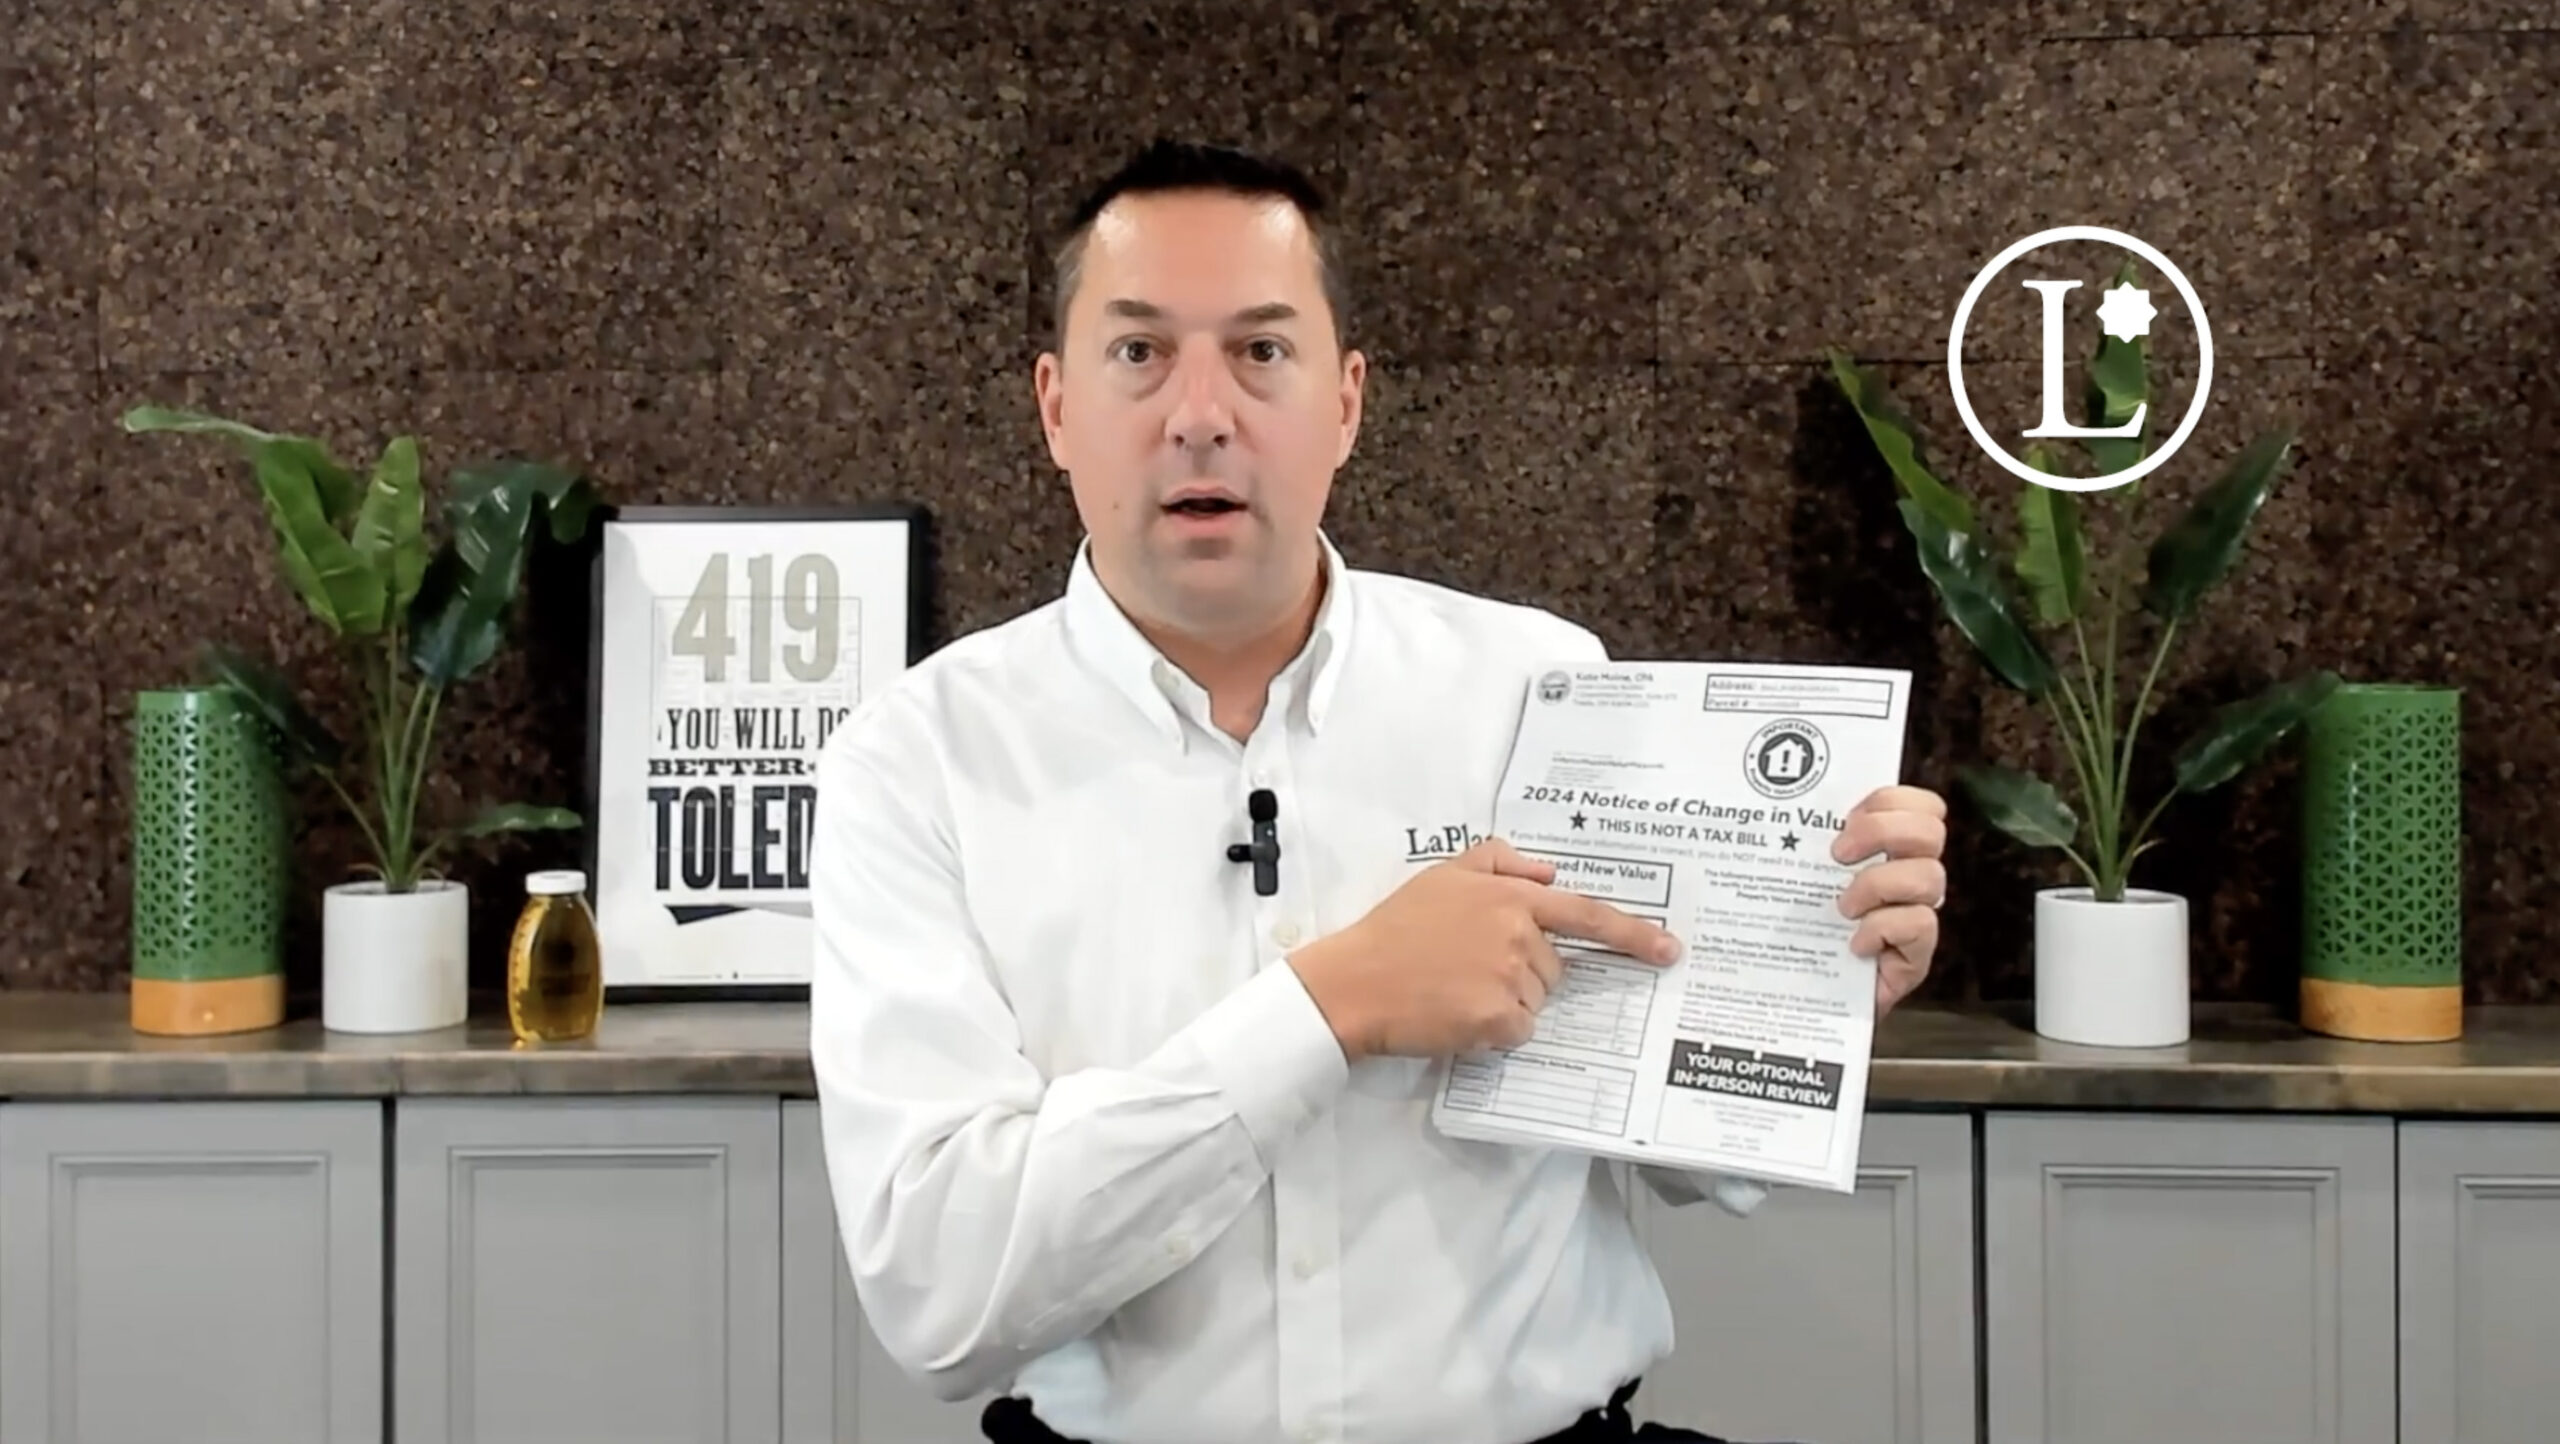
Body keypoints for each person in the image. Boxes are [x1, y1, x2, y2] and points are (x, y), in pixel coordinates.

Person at [807, 139, 1950, 1444]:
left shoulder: (1540, 688)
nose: (1199, 412)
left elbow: (1687, 1146)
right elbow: (941, 1296)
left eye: (1261, 352)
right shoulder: (916, 763)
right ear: (1056, 405)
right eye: (1138, 354)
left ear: (1346, 401)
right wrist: (1326, 1008)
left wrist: (1807, 977)